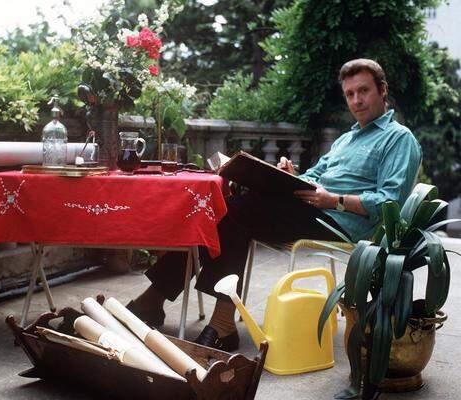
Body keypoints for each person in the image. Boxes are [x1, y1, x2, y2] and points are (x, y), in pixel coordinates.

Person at [126, 58, 422, 351]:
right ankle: (196, 313)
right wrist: (292, 176)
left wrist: (335, 201)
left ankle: (181, 308)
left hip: (340, 223)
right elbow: (315, 176)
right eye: (350, 94)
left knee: (236, 212)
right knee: (223, 211)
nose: (356, 100)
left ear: (382, 90)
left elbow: (390, 203)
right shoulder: (347, 139)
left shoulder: (399, 138)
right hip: (311, 208)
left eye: (364, 91)